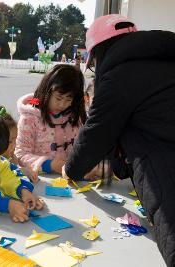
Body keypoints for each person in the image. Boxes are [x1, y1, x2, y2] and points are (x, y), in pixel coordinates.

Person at [62, 14, 175, 266]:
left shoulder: (120, 76)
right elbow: (142, 130)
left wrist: (70, 168)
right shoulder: (164, 63)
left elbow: (95, 134)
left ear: (99, 53)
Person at [15, 64, 86, 182]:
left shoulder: (73, 117)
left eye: (68, 99)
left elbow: (82, 148)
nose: (62, 105)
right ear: (46, 91)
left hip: (72, 182)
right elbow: (20, 155)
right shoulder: (30, 119)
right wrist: (50, 165)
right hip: (41, 181)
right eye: (58, 98)